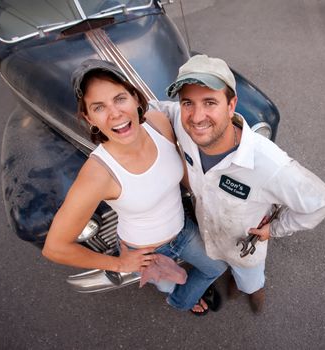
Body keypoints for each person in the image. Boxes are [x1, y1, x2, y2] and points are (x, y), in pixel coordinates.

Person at [150, 54, 325, 313]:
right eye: (188, 103)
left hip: (244, 248)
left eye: (210, 102)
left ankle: (253, 293)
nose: (196, 116)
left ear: (231, 104)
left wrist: (277, 229)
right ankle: (235, 283)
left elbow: (321, 202)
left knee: (249, 282)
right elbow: (154, 109)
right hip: (207, 235)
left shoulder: (268, 164)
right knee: (218, 265)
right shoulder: (185, 126)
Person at [42, 59, 227, 315]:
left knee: (217, 267)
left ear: (136, 98)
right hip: (144, 251)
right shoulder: (97, 173)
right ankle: (180, 300)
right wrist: (119, 264)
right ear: (89, 118)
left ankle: (184, 297)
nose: (115, 113)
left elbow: (180, 170)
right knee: (165, 285)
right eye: (98, 107)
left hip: (183, 230)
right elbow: (55, 247)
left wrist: (214, 197)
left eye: (119, 98)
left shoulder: (158, 123)